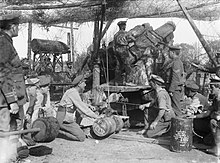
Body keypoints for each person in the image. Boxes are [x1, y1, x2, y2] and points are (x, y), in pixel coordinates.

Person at [0, 12, 29, 161]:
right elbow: (2, 73)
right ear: (12, 27)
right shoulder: (4, 43)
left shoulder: (6, 42)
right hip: (6, 100)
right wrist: (11, 100)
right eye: (18, 26)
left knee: (13, 130)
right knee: (6, 131)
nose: (18, 28)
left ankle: (10, 157)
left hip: (11, 97)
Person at [56, 74, 99, 141]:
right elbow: (84, 109)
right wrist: (96, 117)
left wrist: (88, 106)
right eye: (84, 83)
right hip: (65, 119)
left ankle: (66, 128)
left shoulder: (72, 91)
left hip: (63, 116)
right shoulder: (73, 93)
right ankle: (60, 132)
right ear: (79, 84)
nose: (85, 85)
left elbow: (79, 103)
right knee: (81, 137)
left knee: (79, 115)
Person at [113, 20, 134, 84]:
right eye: (125, 25)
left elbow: (114, 45)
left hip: (117, 50)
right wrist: (128, 42)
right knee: (127, 65)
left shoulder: (116, 35)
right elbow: (133, 39)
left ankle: (117, 81)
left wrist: (115, 52)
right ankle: (129, 81)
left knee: (118, 66)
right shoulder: (126, 33)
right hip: (123, 49)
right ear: (123, 26)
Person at [166, 46, 185, 116]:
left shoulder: (176, 63)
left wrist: (171, 90)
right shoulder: (177, 62)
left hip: (175, 89)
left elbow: (176, 78)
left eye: (169, 52)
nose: (168, 53)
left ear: (173, 52)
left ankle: (180, 125)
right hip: (176, 89)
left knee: (176, 109)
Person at [22, 77, 40, 146]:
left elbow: (31, 108)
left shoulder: (32, 97)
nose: (37, 90)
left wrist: (28, 114)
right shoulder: (23, 97)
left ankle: (27, 137)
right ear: (29, 88)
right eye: (35, 88)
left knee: (28, 120)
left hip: (25, 118)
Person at [205, 78, 220, 156]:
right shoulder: (216, 97)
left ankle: (217, 149)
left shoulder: (219, 98)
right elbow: (212, 108)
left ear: (218, 87)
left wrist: (212, 114)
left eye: (212, 87)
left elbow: (218, 115)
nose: (210, 89)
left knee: (214, 122)